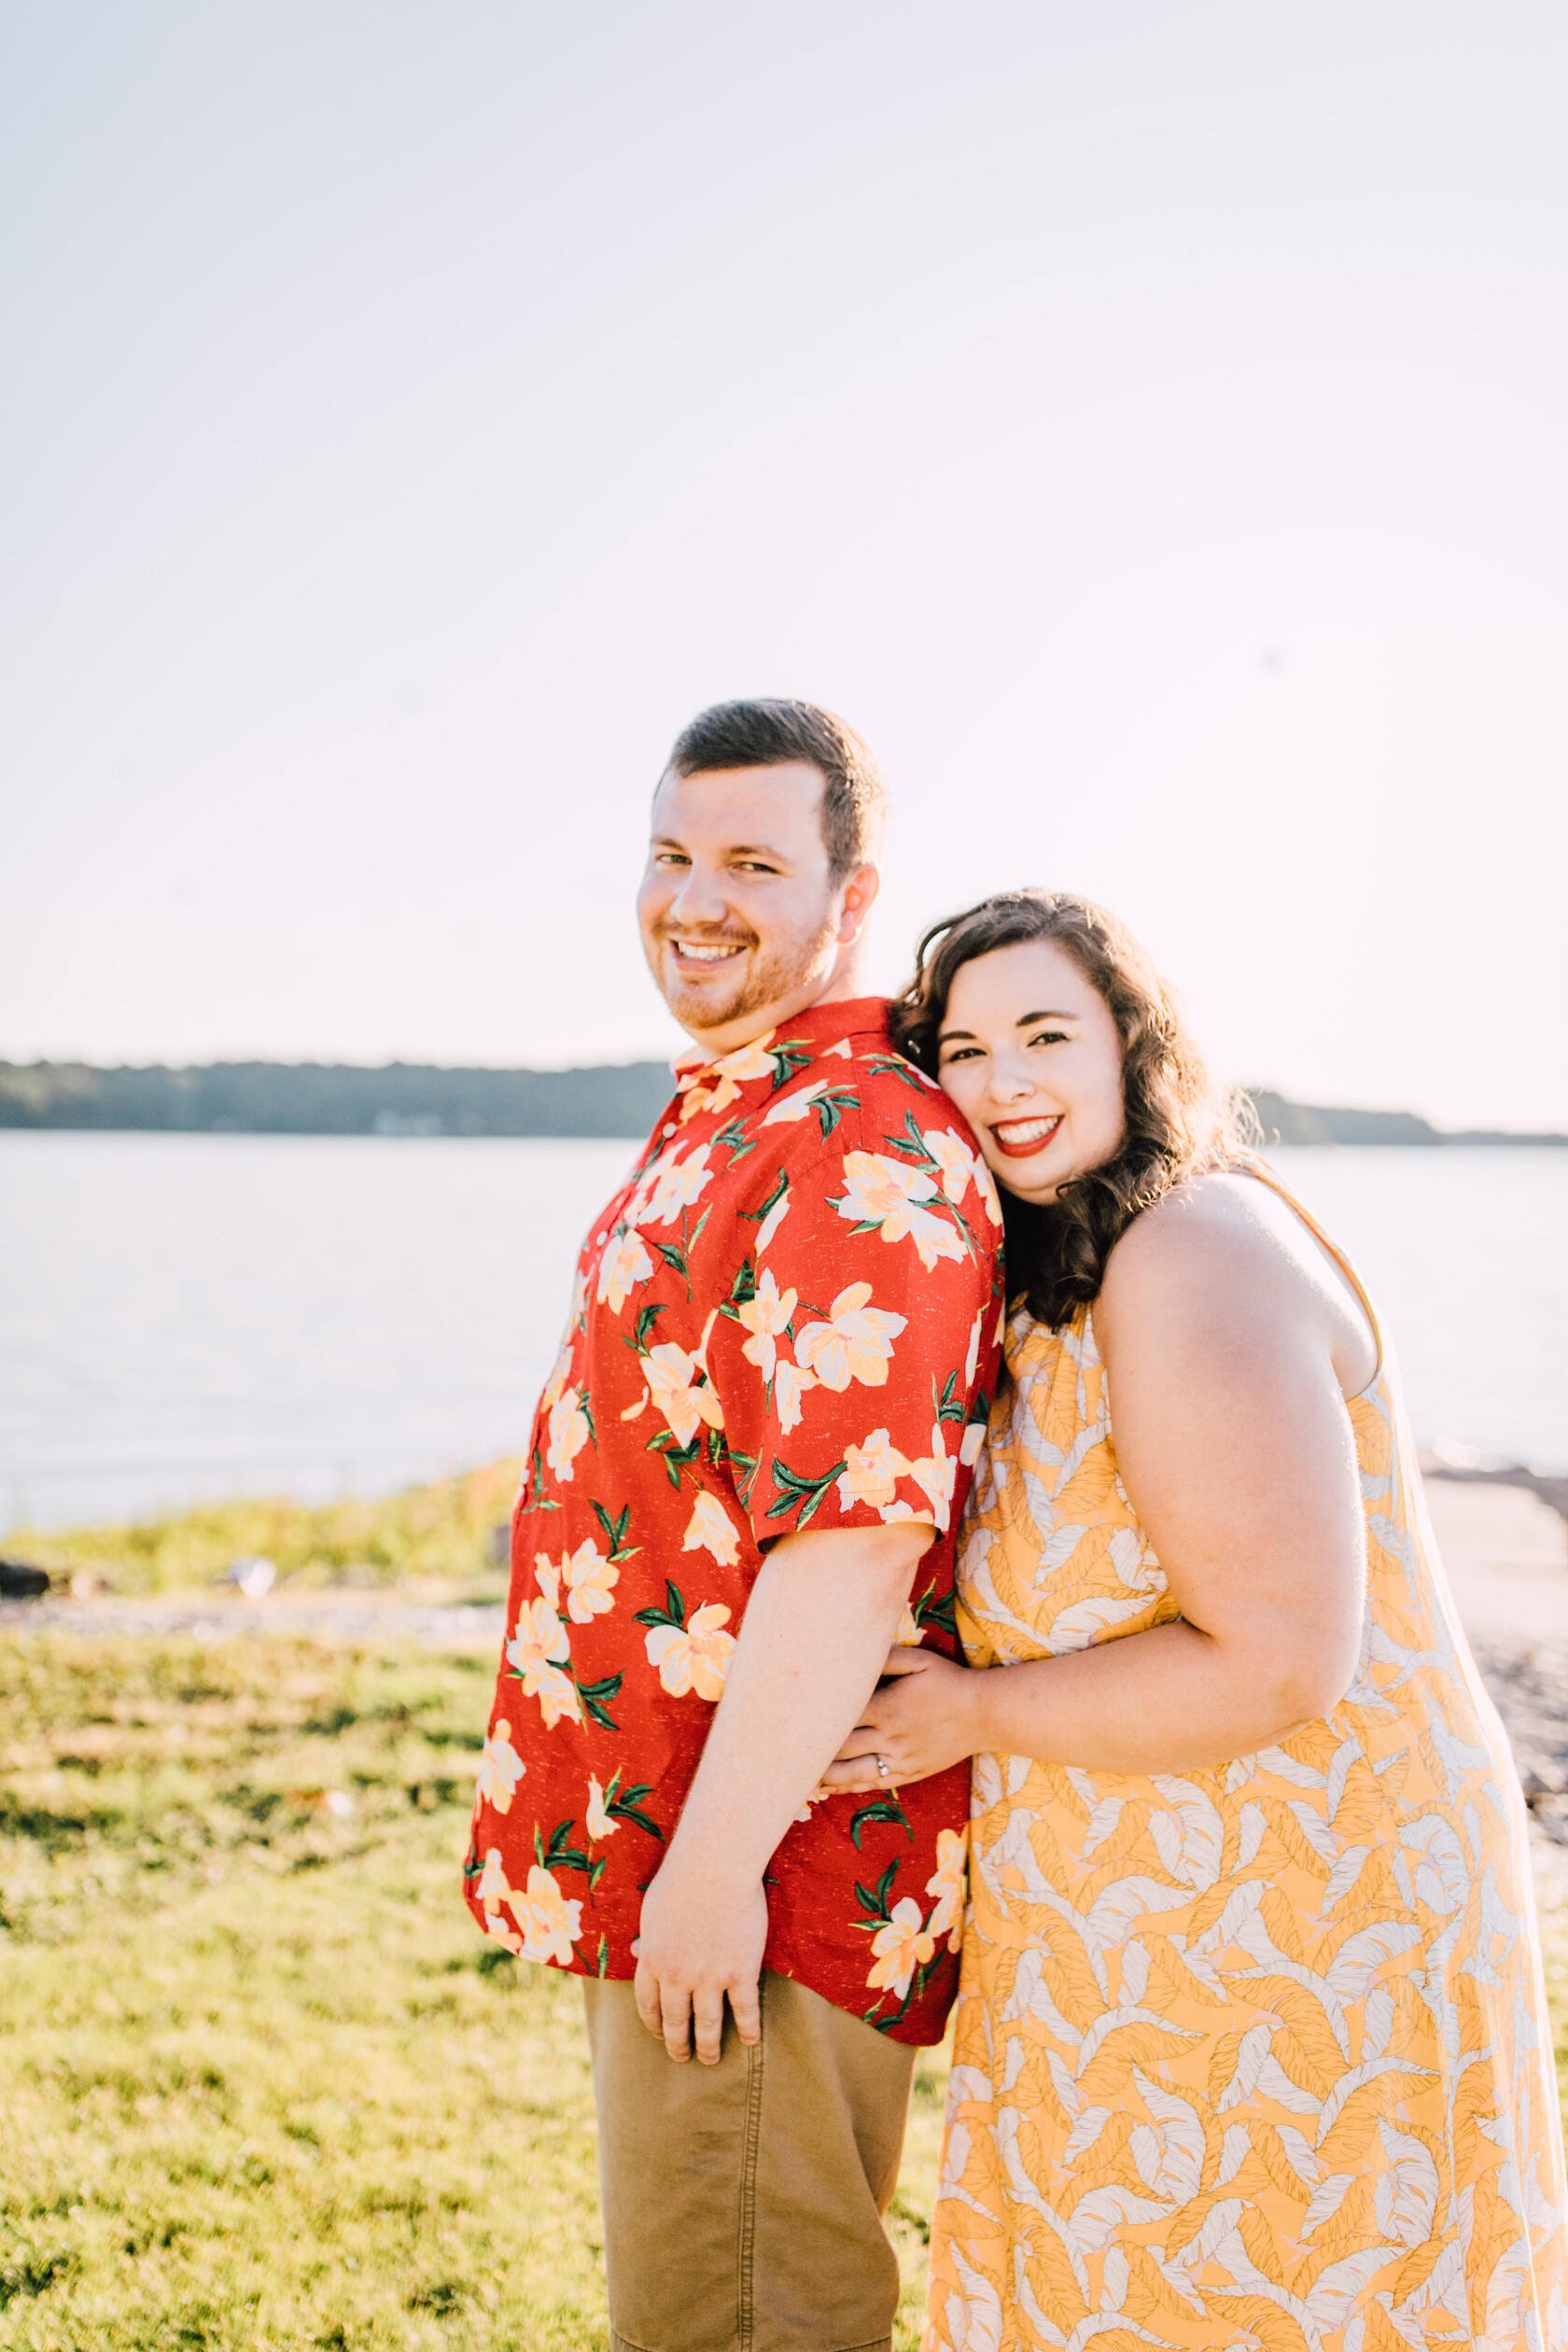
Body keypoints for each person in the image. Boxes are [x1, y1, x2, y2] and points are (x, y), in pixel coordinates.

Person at [823, 889, 1568, 2351]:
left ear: (1132, 1046)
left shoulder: (1189, 1255)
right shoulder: (1070, 1266)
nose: (1004, 1082)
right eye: (963, 1050)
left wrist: (960, 1715)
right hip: (1152, 1933)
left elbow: (1283, 1660)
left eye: (1046, 1032)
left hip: (1302, 1930)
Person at [464, 700, 1004, 2352]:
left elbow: (850, 1553)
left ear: (853, 895)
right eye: (673, 853)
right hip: (682, 1854)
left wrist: (707, 1882)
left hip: (758, 1880)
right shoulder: (745, 1104)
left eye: (754, 863)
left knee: (746, 2315)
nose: (696, 898)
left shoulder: (854, 1141)